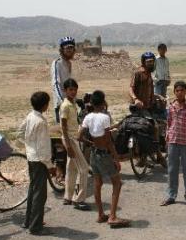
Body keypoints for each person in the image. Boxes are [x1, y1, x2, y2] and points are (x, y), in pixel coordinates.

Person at [79, 90, 130, 227]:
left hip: (93, 153)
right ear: (103, 102)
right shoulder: (105, 117)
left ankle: (101, 214)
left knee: (97, 183)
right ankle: (112, 216)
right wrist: (116, 158)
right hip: (104, 154)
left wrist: (91, 143)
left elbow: (79, 136)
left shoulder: (88, 117)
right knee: (117, 183)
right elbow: (108, 141)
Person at [18, 91, 54, 235]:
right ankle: (36, 226)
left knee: (33, 190)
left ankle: (28, 220)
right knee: (40, 194)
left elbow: (20, 132)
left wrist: (28, 146)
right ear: (45, 105)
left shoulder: (30, 116)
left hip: (31, 157)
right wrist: (50, 165)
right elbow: (43, 148)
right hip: (40, 160)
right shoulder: (41, 122)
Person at [161, 81, 186, 208]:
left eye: (182, 90)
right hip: (173, 141)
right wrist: (167, 136)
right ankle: (171, 196)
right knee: (172, 170)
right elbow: (169, 122)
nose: (179, 93)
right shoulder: (171, 106)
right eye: (177, 90)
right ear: (174, 92)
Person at [59, 78, 91, 211]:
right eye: (70, 90)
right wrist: (68, 145)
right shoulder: (65, 106)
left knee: (71, 168)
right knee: (83, 169)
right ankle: (79, 200)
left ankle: (68, 197)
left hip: (73, 138)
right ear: (65, 91)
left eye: (75, 89)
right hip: (70, 139)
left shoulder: (73, 104)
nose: (73, 92)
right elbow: (63, 127)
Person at [51, 36, 76, 124]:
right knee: (63, 131)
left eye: (72, 48)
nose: (70, 50)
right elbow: (56, 84)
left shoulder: (69, 63)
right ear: (62, 49)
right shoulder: (57, 63)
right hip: (61, 104)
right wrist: (62, 102)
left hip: (70, 102)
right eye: (67, 48)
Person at [129, 51, 156, 116]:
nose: (151, 63)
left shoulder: (149, 73)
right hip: (139, 107)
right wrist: (136, 99)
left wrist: (157, 96)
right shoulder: (138, 73)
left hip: (148, 106)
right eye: (148, 62)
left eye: (152, 61)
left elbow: (148, 90)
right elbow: (131, 88)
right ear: (144, 62)